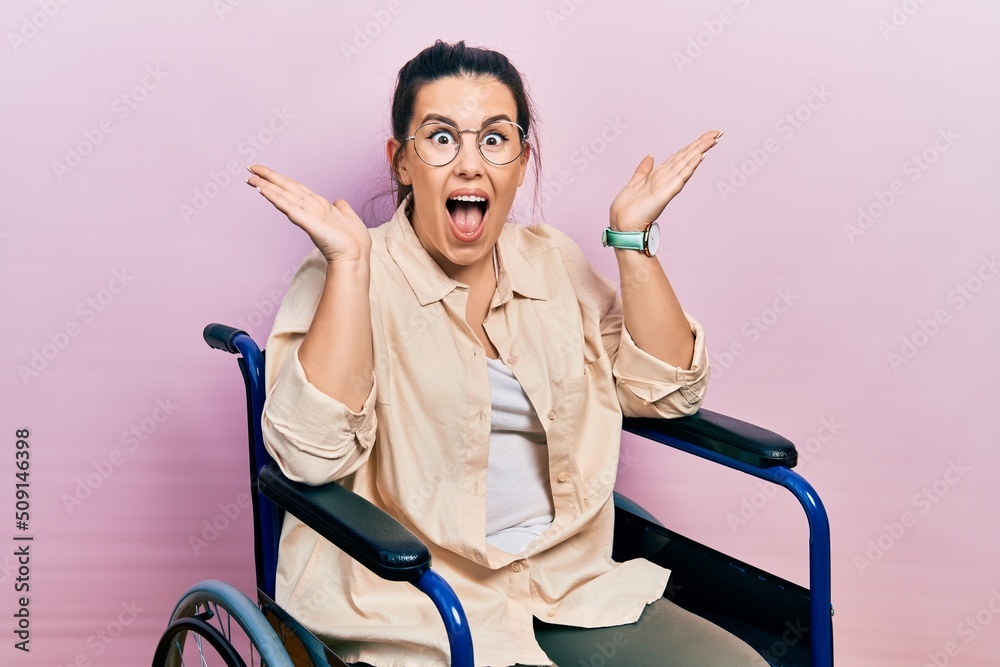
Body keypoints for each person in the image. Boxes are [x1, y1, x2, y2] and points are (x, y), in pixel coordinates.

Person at [247, 40, 767, 667]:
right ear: (401, 162)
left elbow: (668, 389)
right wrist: (349, 266)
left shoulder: (552, 262)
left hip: (567, 584)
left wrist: (631, 240)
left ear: (522, 162)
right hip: (415, 604)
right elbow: (307, 457)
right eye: (441, 138)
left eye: (494, 140)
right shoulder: (346, 270)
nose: (470, 165)